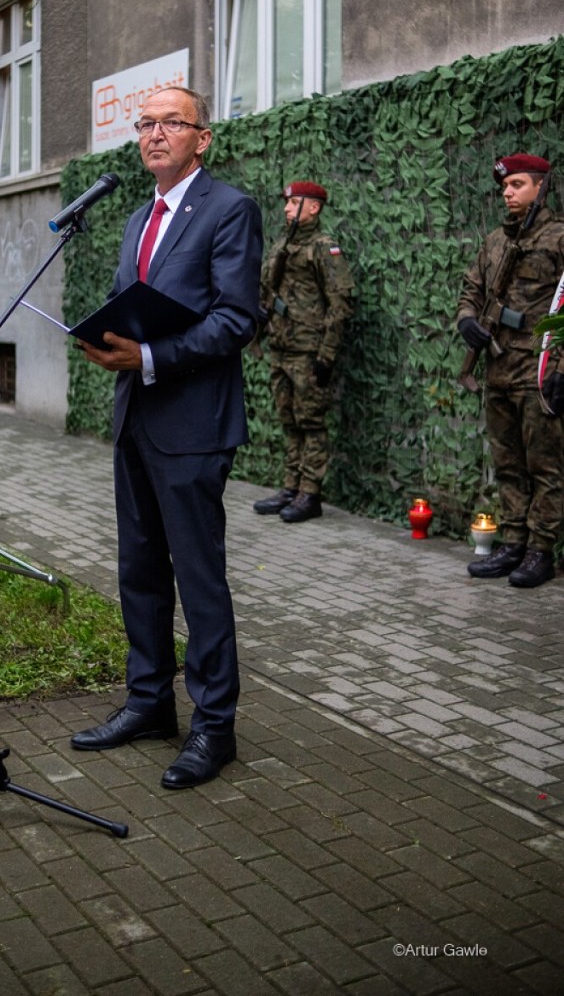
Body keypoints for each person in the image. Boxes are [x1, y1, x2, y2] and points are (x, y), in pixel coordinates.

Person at [70, 87, 263, 789]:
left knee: (198, 578)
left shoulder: (230, 210)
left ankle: (216, 727)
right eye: (145, 124)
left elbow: (237, 319)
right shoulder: (135, 220)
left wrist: (148, 357)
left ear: (201, 138)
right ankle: (149, 704)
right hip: (136, 418)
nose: (154, 135)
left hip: (193, 425)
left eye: (169, 124)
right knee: (140, 572)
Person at [456, 153, 564, 588]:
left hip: (538, 372)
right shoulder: (496, 241)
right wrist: (467, 320)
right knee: (508, 464)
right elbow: (472, 288)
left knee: (546, 467)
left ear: (540, 186)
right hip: (498, 369)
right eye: (505, 186)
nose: (507, 192)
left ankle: (541, 550)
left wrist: (561, 367)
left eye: (517, 184)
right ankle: (513, 541)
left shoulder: (558, 237)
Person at [253, 182, 354, 523]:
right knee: (289, 420)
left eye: (295, 202)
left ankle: (310, 493)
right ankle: (290, 486)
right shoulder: (283, 244)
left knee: (311, 422)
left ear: (314, 208)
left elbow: (340, 304)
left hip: (308, 350)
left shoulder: (324, 248)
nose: (286, 208)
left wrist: (326, 356)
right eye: (286, 202)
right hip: (281, 347)